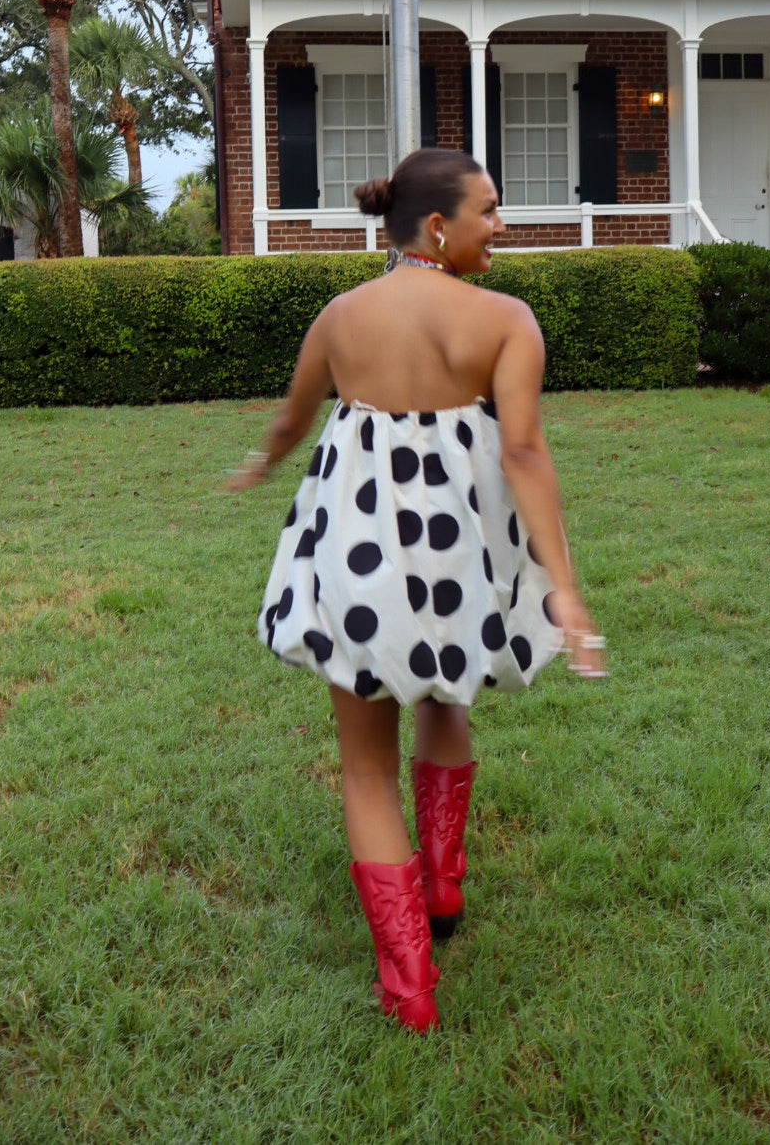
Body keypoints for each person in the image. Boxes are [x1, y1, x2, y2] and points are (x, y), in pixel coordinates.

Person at [230, 148, 606, 1034]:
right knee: (446, 695)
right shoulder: (506, 321)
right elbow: (521, 454)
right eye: (490, 210)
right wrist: (565, 589)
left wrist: (260, 463)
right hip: (457, 555)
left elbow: (291, 419)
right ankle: (441, 888)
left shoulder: (339, 316)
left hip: (358, 559)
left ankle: (408, 989)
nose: (501, 226)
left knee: (365, 765)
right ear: (439, 227)